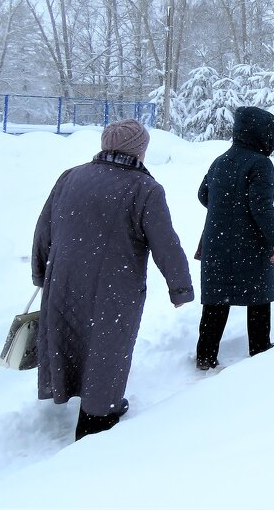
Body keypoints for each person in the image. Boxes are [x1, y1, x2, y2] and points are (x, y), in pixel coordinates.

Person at [31, 119, 194, 440]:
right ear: (139, 150)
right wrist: (181, 288)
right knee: (107, 347)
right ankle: (97, 422)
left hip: (63, 282)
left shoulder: (71, 177)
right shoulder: (144, 189)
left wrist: (40, 273)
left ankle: (81, 400)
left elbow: (43, 230)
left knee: (69, 340)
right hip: (113, 289)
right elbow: (165, 242)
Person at [195, 106, 274, 370]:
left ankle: (205, 356)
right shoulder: (261, 164)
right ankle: (260, 349)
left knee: (216, 300)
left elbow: (203, 194)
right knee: (257, 296)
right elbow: (261, 206)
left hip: (217, 241)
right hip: (250, 241)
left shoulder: (220, 160)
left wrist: (226, 210)